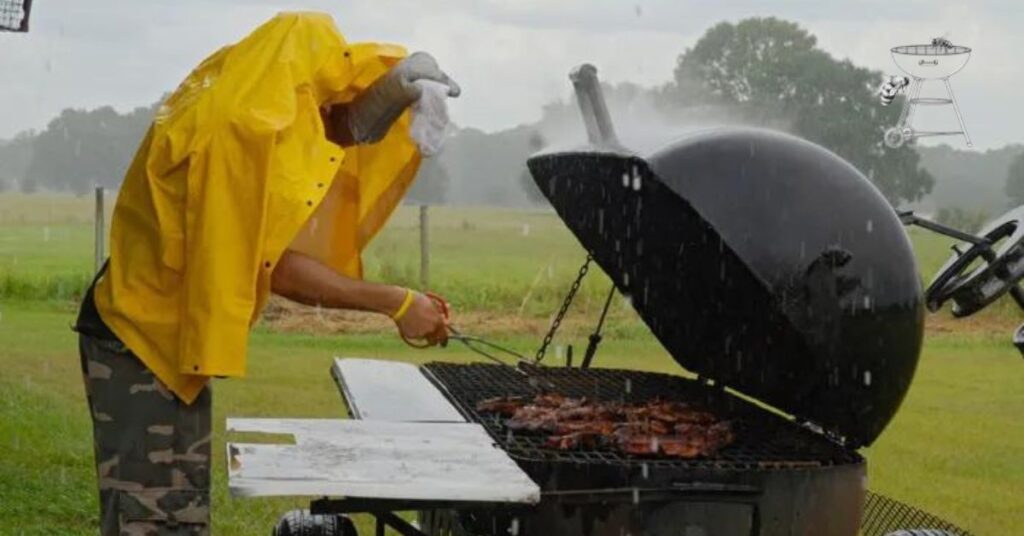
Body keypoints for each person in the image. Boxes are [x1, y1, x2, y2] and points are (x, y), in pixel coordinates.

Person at [73, 12, 456, 535]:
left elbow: (333, 117)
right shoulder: (233, 139)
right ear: (301, 95)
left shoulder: (257, 95)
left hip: (161, 333)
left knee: (178, 511)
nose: (335, 129)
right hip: (139, 338)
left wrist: (394, 86)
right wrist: (398, 302)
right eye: (326, 106)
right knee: (154, 521)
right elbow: (276, 266)